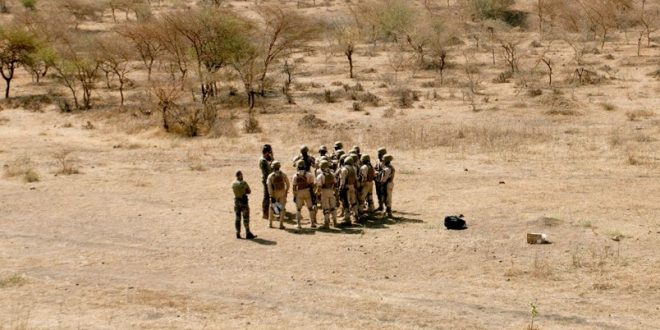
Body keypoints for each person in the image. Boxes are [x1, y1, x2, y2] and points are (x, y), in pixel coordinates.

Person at [292, 160, 317, 229]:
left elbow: (294, 187)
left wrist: (294, 195)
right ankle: (312, 223)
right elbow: (312, 185)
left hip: (299, 192)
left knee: (298, 209)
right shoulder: (309, 174)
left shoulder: (295, 176)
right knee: (310, 208)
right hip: (308, 191)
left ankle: (299, 224)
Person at [232, 171, 256, 239]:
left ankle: (238, 233)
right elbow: (249, 191)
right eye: (241, 175)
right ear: (239, 175)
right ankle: (248, 233)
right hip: (244, 202)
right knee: (246, 218)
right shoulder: (243, 183)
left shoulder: (233, 183)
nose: (242, 176)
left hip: (236, 202)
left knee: (237, 218)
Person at [267, 161, 289, 229]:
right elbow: (288, 184)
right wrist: (286, 191)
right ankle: (281, 224)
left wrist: (271, 195)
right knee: (282, 208)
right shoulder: (283, 174)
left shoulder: (270, 176)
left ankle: (270, 224)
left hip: (274, 193)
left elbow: (269, 187)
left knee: (272, 208)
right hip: (282, 192)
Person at [316, 160, 338, 228]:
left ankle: (326, 223)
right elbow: (335, 184)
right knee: (333, 208)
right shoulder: (332, 174)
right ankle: (335, 222)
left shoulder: (320, 176)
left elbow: (319, 187)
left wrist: (317, 194)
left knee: (326, 208)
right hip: (331, 191)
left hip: (324, 192)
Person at [339, 156, 360, 224]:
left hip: (346, 187)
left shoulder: (344, 169)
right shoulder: (354, 168)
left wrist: (341, 188)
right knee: (353, 202)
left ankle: (347, 218)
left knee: (346, 203)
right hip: (352, 186)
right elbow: (356, 178)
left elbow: (343, 180)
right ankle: (356, 216)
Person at [259, 144, 274, 219]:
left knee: (273, 195)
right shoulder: (263, 161)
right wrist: (271, 165)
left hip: (270, 179)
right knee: (266, 196)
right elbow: (267, 172)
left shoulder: (267, 158)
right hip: (266, 180)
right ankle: (265, 213)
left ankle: (275, 211)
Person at [374, 147, 387, 212]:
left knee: (384, 194)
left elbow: (386, 171)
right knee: (378, 193)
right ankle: (380, 206)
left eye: (380, 154)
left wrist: (378, 173)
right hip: (377, 180)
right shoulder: (377, 161)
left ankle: (385, 207)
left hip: (383, 180)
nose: (378, 155)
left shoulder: (385, 162)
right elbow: (375, 168)